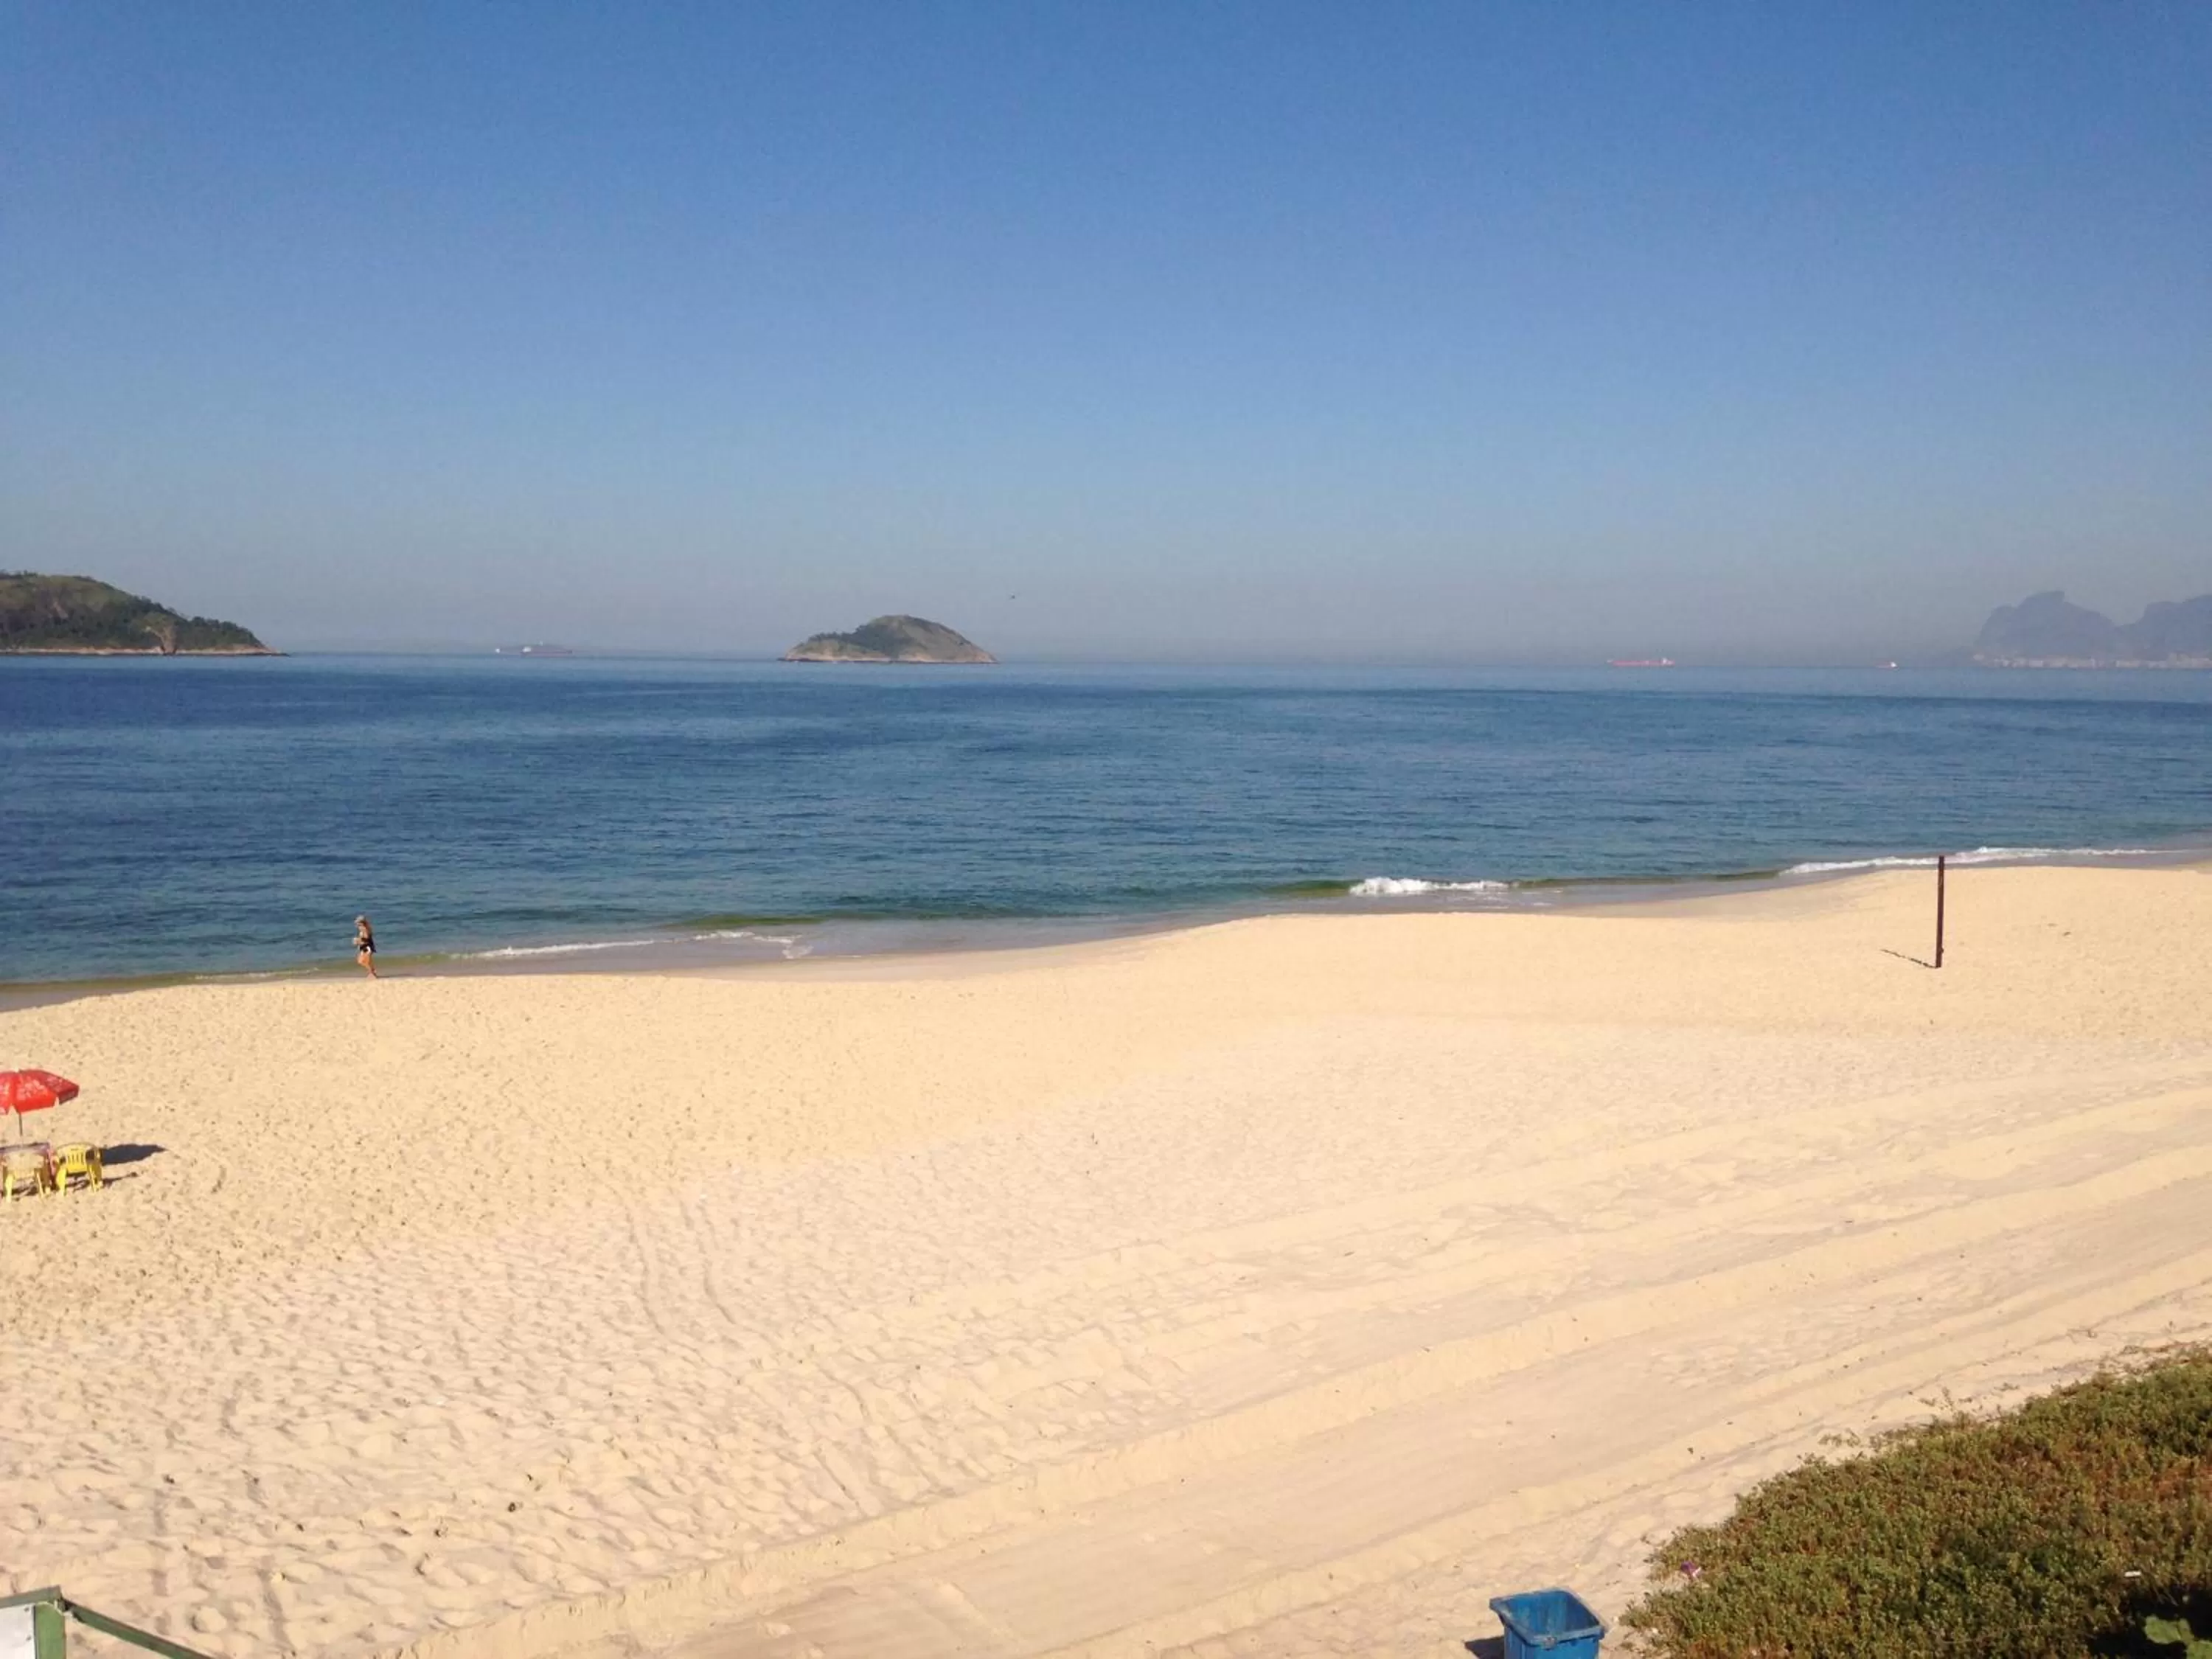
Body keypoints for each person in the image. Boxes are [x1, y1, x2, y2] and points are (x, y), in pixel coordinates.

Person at [354, 914, 378, 978]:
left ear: (361, 923)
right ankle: (373, 972)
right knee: (363, 961)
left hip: (367, 948)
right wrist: (359, 941)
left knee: (363, 961)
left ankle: (372, 973)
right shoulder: (364, 928)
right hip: (364, 947)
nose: (356, 924)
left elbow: (366, 939)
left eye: (358, 923)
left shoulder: (364, 929)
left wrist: (358, 940)